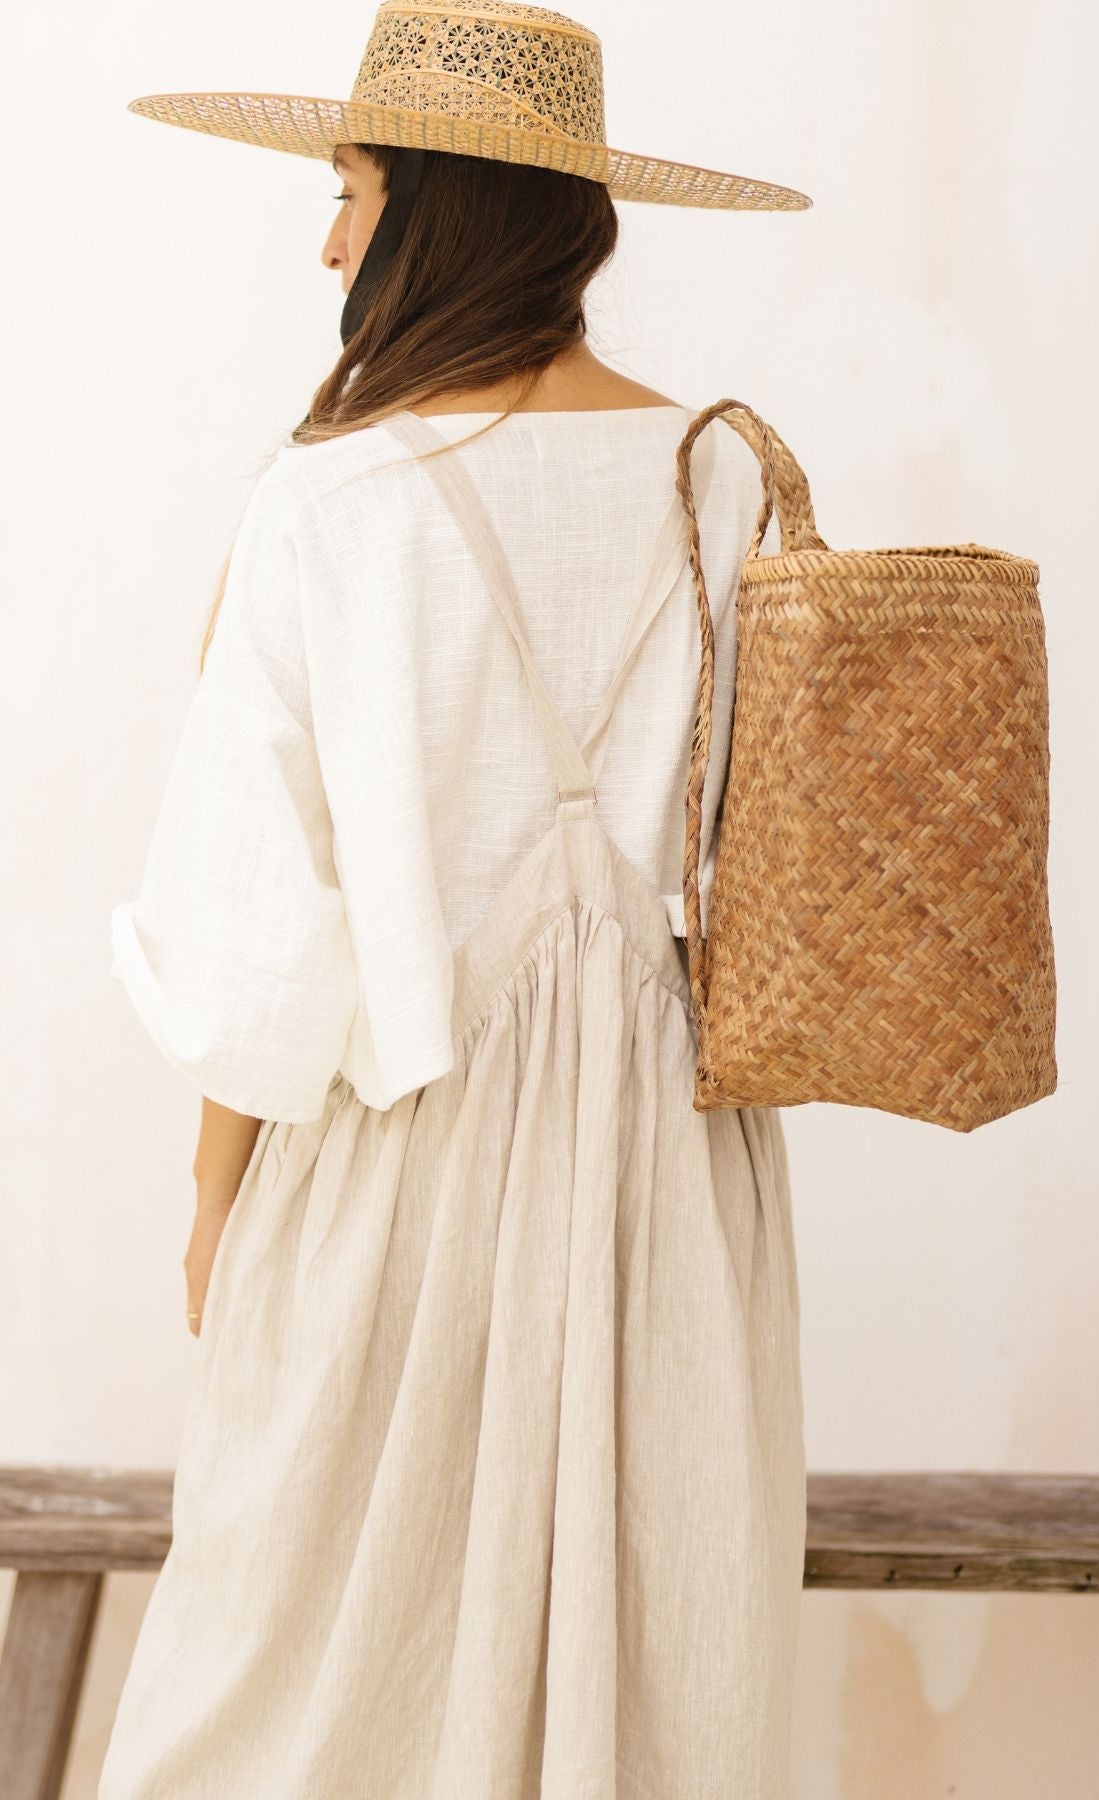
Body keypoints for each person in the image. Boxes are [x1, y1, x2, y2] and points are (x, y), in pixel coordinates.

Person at [101, 5, 812, 1796]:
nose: (327, 240)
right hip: (664, 1156)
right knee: (641, 1647)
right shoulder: (727, 472)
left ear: (433, 203)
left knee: (303, 1661)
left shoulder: (333, 501)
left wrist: (214, 1196)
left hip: (398, 1136)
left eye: (348, 192)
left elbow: (263, 918)